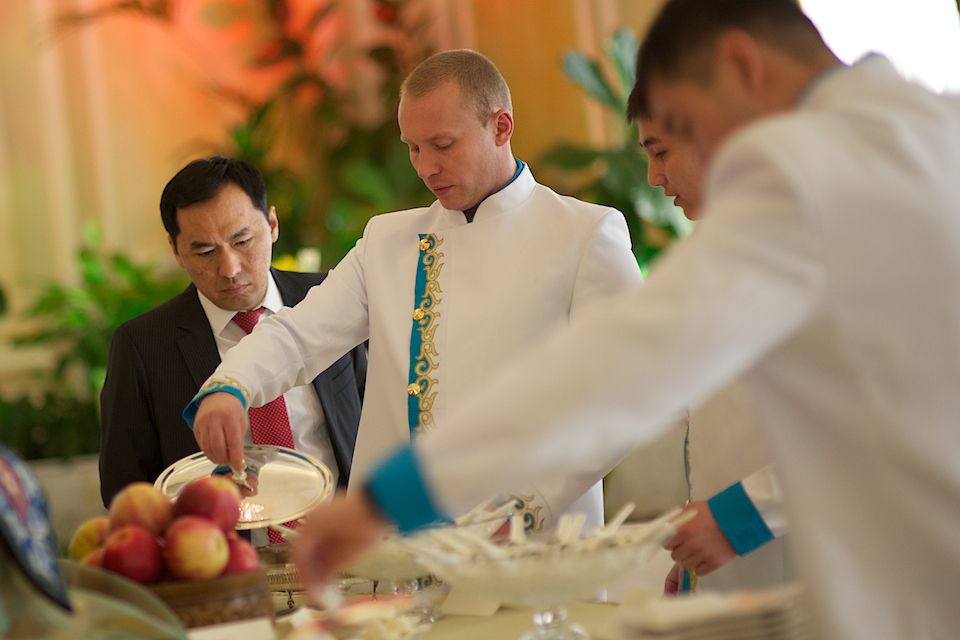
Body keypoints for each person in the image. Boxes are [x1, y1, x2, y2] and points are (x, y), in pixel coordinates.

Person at [289, 2, 960, 638]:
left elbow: (630, 357)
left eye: (687, 129)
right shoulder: (937, 127)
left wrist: (390, 497)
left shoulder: (807, 172)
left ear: (742, 66)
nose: (685, 164)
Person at [186, 50, 643, 533]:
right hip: (398, 553)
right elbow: (299, 334)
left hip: (532, 544)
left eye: (442, 145)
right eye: (414, 148)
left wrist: (529, 505)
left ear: (501, 127)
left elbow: (628, 392)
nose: (426, 168)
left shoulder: (584, 234)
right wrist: (231, 386)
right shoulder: (388, 240)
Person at [98, 157, 367, 508]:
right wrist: (200, 500)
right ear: (176, 251)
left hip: (342, 538)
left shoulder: (330, 301)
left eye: (242, 242)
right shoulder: (144, 345)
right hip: (220, 552)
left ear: (272, 224)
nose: (229, 268)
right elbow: (124, 490)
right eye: (206, 251)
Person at [640, 118, 790, 594]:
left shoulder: (812, 238)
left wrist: (738, 519)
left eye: (660, 152)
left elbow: (867, 426)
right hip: (736, 567)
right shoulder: (712, 244)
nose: (652, 177)